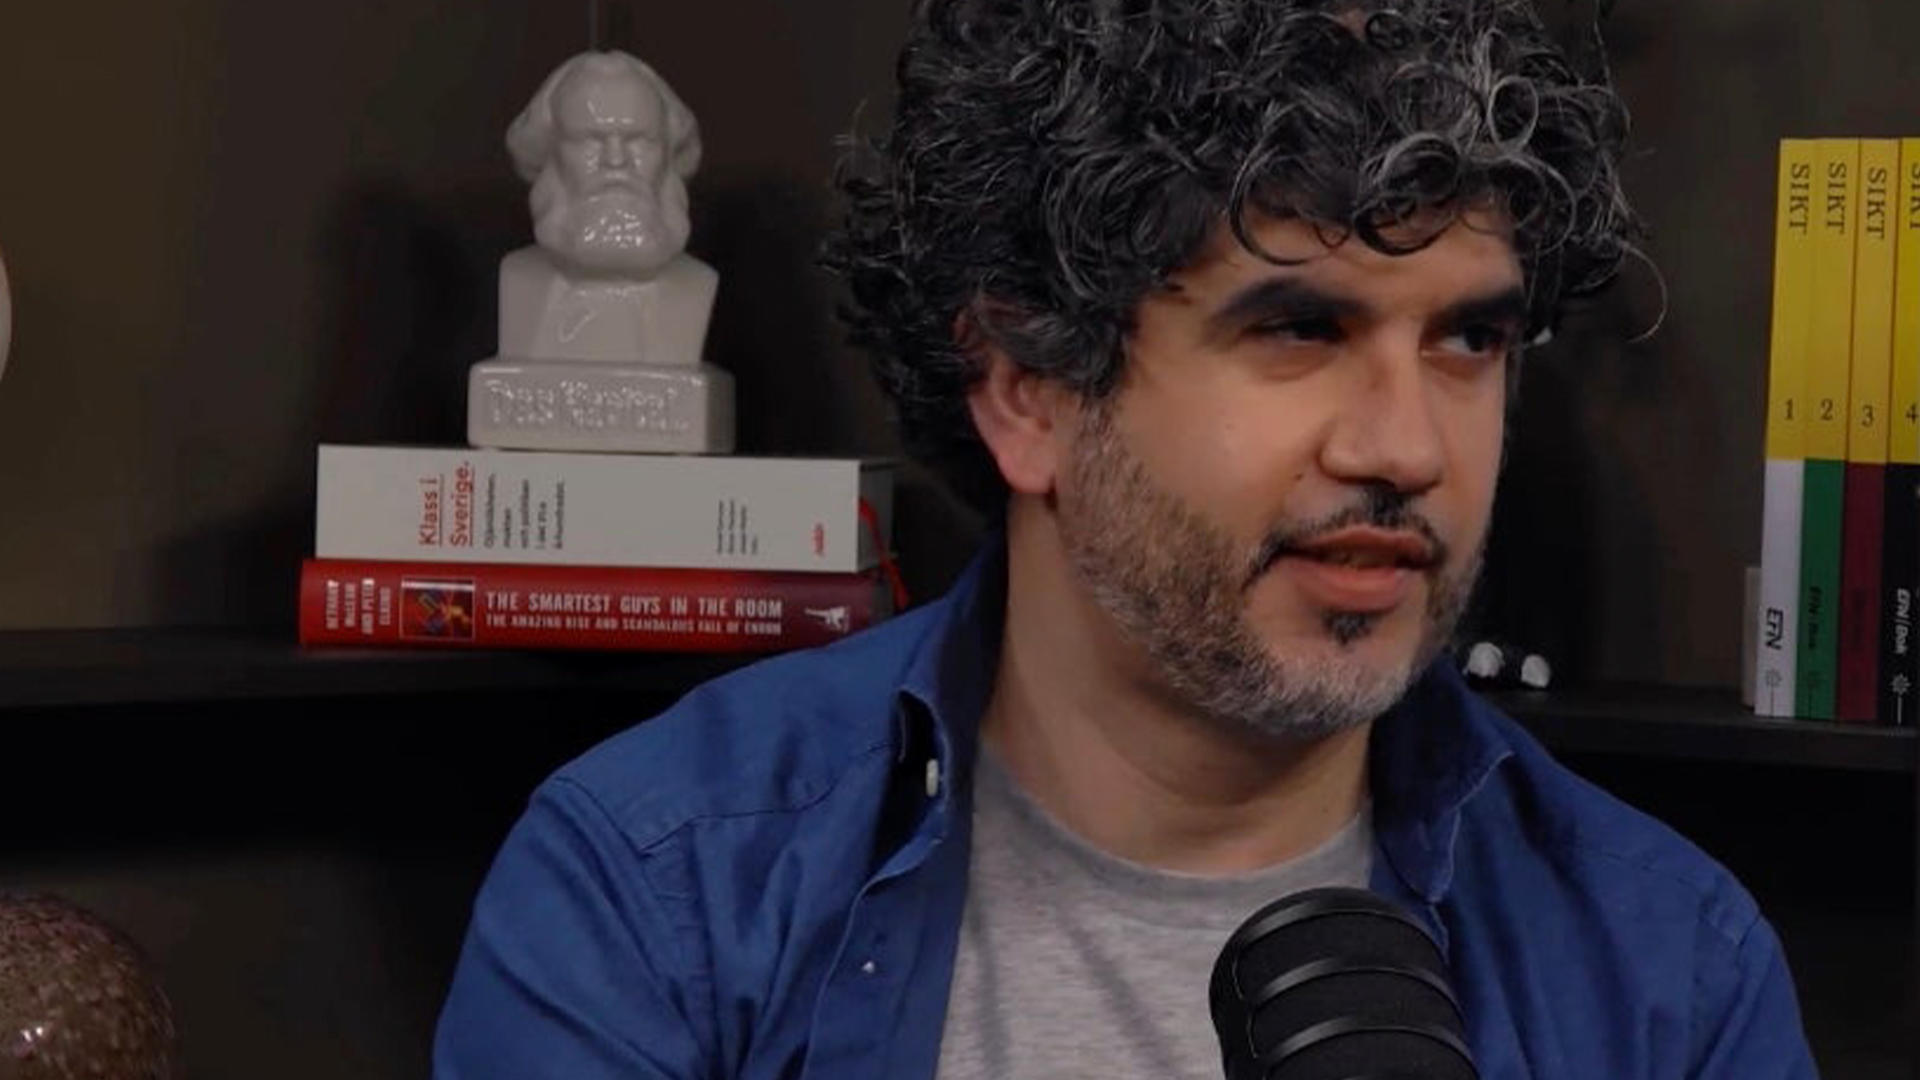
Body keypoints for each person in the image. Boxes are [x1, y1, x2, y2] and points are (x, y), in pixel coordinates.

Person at [434, 1, 1820, 1078]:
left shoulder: (1669, 974)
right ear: (1026, 389)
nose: (1405, 449)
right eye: (1299, 328)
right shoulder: (655, 892)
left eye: (1468, 340)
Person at [496, 50, 715, 367]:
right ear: (548, 154)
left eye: (641, 141)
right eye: (587, 140)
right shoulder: (518, 278)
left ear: (669, 153)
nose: (615, 160)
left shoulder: (697, 285)